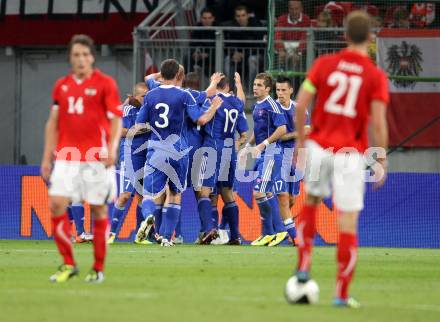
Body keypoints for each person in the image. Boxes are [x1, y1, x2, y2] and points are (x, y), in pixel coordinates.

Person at [292, 11, 389, 307]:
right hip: (350, 155)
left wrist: (300, 143)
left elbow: (302, 103)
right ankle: (341, 294)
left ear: (344, 36)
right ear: (370, 39)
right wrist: (381, 158)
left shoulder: (324, 64)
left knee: (310, 204)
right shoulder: (375, 76)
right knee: (347, 223)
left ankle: (304, 265)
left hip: (319, 148)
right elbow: (379, 122)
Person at [41, 34, 122, 283]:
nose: (81, 59)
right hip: (66, 156)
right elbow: (53, 122)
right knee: (56, 204)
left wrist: (112, 147)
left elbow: (116, 119)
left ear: (92, 57)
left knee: (98, 209)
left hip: (96, 157)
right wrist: (46, 157)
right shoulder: (61, 86)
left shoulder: (105, 83)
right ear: (70, 58)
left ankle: (97, 268)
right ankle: (68, 263)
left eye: (85, 55)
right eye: (76, 55)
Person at [135, 59, 222, 247]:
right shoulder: (185, 95)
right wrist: (213, 105)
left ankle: (149, 217)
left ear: (162, 74)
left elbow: (139, 124)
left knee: (149, 195)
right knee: (175, 195)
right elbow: (199, 117)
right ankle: (166, 238)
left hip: (156, 148)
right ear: (177, 75)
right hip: (179, 151)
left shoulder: (150, 95)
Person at [197, 72, 248, 245]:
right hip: (229, 150)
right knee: (226, 192)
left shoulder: (212, 99)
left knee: (205, 191)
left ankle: (209, 229)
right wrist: (239, 84)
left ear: (218, 85)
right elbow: (242, 101)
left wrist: (211, 84)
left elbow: (200, 114)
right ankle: (235, 236)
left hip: (213, 147)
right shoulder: (236, 103)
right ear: (228, 87)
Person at [242, 73, 287, 247]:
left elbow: (282, 129)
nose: (255, 87)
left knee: (258, 192)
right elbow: (259, 130)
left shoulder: (272, 105)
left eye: (260, 85)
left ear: (268, 89)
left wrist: (263, 144)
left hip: (271, 153)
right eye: (254, 84)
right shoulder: (257, 106)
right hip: (262, 154)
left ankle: (276, 231)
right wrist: (248, 146)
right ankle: (268, 234)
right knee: (266, 193)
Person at [107, 82, 151, 245]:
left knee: (141, 196)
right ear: (135, 96)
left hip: (145, 156)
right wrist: (142, 129)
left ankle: (141, 237)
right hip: (130, 156)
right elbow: (121, 132)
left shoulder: (149, 110)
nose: (146, 99)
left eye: (148, 96)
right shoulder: (128, 110)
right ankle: (111, 233)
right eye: (143, 96)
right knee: (125, 195)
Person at [222, 4, 265, 87]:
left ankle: (250, 89)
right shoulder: (232, 26)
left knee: (252, 60)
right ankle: (229, 88)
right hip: (238, 55)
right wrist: (233, 53)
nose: (240, 18)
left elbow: (259, 45)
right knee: (227, 59)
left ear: (248, 15)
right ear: (235, 17)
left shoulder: (256, 24)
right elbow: (228, 44)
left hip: (254, 54)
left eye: (243, 15)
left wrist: (245, 54)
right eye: (238, 16)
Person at [274, 1, 311, 70]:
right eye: (292, 9)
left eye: (296, 9)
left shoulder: (306, 19)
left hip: (299, 48)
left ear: (301, 9)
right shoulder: (282, 19)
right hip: (285, 47)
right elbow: (278, 35)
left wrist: (298, 52)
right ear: (288, 9)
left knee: (299, 63)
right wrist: (281, 50)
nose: (294, 11)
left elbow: (304, 38)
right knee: (278, 60)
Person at [190, 8, 217, 78]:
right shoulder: (197, 28)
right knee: (187, 57)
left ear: (213, 18)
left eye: (209, 18)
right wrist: (194, 53)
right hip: (199, 57)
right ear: (201, 19)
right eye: (204, 18)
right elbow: (192, 44)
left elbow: (220, 47)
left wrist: (208, 54)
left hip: (213, 57)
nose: (207, 20)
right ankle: (187, 83)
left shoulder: (218, 28)